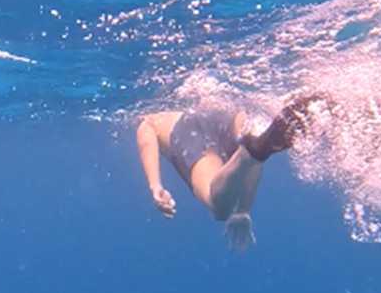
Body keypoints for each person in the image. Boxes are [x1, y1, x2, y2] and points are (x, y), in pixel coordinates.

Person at [135, 97, 317, 252]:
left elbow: (146, 133)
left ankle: (249, 150)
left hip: (187, 129)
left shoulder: (156, 118)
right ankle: (311, 102)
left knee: (219, 207)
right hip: (227, 115)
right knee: (254, 142)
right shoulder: (218, 100)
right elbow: (254, 162)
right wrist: (243, 209)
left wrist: (155, 185)